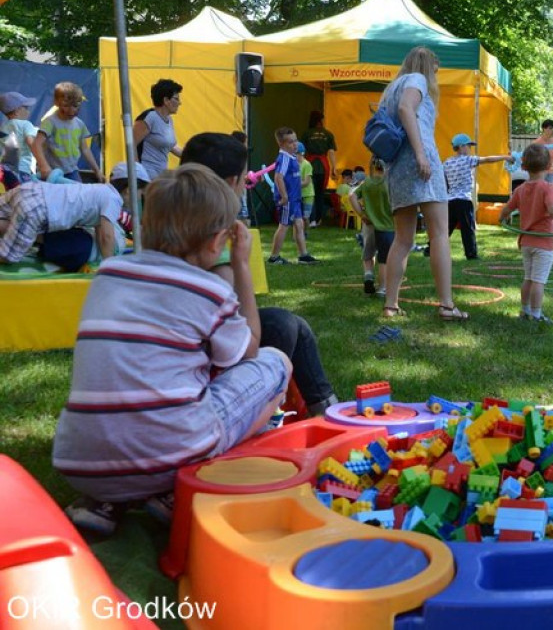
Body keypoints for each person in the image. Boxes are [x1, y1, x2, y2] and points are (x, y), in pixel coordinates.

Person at [52, 164, 292, 536]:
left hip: (80, 461)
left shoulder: (108, 274)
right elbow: (250, 349)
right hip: (169, 456)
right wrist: (241, 265)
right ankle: (175, 488)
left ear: (144, 226)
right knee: (276, 364)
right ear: (217, 242)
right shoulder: (207, 290)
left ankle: (104, 502)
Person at [179, 132, 339, 417]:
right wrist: (241, 264)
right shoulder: (212, 244)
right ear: (231, 183)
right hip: (195, 392)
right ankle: (291, 412)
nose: (246, 185)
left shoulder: (169, 226)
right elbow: (243, 339)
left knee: (292, 324)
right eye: (244, 179)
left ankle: (325, 409)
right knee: (282, 324)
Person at [379, 46, 468, 321]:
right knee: (439, 234)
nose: (436, 74)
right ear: (428, 66)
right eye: (436, 68)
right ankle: (446, 305)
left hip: (396, 167)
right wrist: (420, 154)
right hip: (422, 163)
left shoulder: (390, 88)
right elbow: (407, 108)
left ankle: (391, 305)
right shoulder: (417, 80)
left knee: (403, 239)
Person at [499, 143, 553, 324]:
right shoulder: (548, 188)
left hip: (526, 242)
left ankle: (525, 311)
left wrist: (502, 218)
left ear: (523, 167)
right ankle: (536, 315)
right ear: (549, 167)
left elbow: (507, 208)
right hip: (542, 243)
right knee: (538, 281)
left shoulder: (520, 189)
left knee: (528, 278)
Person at [0, 180, 128, 264]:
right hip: (38, 209)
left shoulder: (100, 189)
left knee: (19, 225)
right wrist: (109, 268)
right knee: (8, 257)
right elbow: (106, 236)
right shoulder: (114, 200)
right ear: (128, 190)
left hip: (31, 189)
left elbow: (101, 231)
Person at [439, 132, 513, 260]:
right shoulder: (468, 160)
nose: (470, 149)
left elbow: (445, 182)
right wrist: (504, 157)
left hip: (450, 200)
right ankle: (471, 254)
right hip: (464, 200)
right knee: (468, 228)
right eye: (469, 146)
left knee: (446, 229)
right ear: (461, 147)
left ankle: (431, 248)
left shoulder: (447, 163)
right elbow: (487, 159)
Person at [268, 127, 318, 265]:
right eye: (290, 142)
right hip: (288, 199)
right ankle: (274, 257)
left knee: (299, 224)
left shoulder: (292, 157)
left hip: (295, 199)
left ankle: (303, 255)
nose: (295, 144)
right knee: (284, 225)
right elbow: (278, 177)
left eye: (296, 140)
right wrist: (284, 196)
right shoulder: (284, 158)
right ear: (282, 144)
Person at [32, 82, 101, 183]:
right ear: (56, 102)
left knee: (77, 194)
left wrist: (97, 171)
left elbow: (85, 149)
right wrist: (44, 166)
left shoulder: (79, 124)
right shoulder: (50, 122)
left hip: (71, 171)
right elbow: (36, 145)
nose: (71, 110)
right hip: (51, 171)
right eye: (66, 105)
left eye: (75, 106)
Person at [350, 157, 393, 297]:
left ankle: (368, 276)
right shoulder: (389, 183)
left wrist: (361, 214)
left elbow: (352, 196)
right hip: (387, 225)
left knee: (368, 254)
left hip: (369, 225)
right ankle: (382, 288)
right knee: (384, 259)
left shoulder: (367, 182)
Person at [133, 79, 183, 178]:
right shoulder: (150, 117)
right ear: (166, 100)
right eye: (176, 99)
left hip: (160, 175)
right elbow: (131, 144)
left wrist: (193, 156)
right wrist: (138, 172)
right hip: (146, 174)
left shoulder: (169, 119)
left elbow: (171, 145)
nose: (179, 103)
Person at [301, 110, 337, 228]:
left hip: (309, 165)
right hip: (323, 166)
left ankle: (311, 219)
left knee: (310, 194)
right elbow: (331, 152)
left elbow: (301, 152)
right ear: (320, 120)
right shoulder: (328, 134)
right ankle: (318, 219)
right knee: (320, 193)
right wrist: (334, 168)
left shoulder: (306, 134)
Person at [0, 91, 39, 182]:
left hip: (4, 171)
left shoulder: (3, 128)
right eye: (26, 108)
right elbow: (31, 143)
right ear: (17, 111)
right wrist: (42, 162)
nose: (28, 111)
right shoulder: (26, 124)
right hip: (22, 170)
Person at [297, 142, 315, 233]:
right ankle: (299, 233)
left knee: (305, 216)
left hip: (308, 195)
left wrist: (294, 185)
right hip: (298, 194)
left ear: (301, 153)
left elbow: (306, 182)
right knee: (297, 216)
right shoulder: (294, 165)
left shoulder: (306, 165)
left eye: (295, 153)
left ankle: (305, 232)